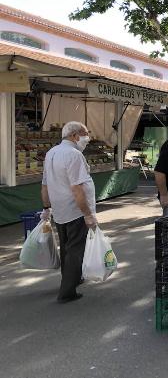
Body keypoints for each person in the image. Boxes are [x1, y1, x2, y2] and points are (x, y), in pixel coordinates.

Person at [40, 121, 96, 303]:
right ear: (74, 135)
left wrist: (46, 207)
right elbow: (77, 189)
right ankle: (67, 291)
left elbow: (45, 186)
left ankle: (71, 278)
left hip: (60, 209)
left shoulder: (51, 153)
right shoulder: (74, 155)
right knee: (75, 249)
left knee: (66, 247)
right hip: (74, 209)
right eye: (85, 134)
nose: (87, 138)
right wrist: (87, 213)